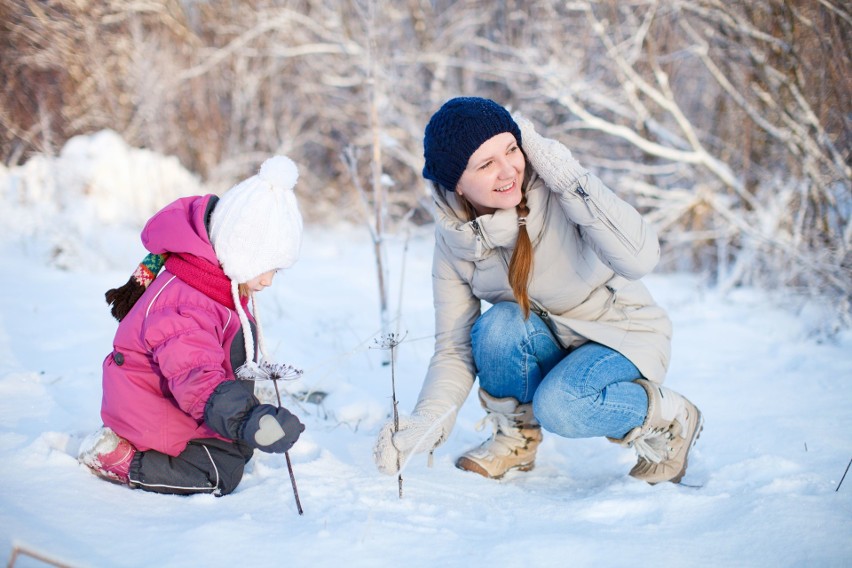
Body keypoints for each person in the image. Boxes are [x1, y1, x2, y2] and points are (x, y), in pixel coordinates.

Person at [374, 97, 702, 484]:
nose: (508, 170)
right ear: (456, 185)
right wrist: (428, 421)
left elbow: (640, 258)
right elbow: (454, 346)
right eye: (486, 164)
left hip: (619, 334)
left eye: (511, 149)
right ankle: (516, 439)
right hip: (546, 342)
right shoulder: (454, 242)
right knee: (498, 326)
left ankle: (671, 419)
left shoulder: (559, 191)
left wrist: (571, 179)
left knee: (562, 404)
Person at [78, 155, 306, 496]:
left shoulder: (213, 280)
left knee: (237, 449)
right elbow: (197, 380)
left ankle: (224, 434)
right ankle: (121, 460)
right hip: (151, 405)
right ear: (241, 252)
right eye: (266, 267)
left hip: (169, 399)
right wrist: (248, 420)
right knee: (219, 471)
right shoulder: (186, 303)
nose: (270, 281)